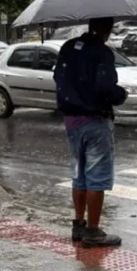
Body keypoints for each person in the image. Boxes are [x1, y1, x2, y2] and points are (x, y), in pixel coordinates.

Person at [53, 17, 127, 248]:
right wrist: (121, 94)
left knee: (79, 173)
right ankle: (93, 231)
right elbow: (105, 88)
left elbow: (57, 77)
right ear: (107, 30)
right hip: (95, 120)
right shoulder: (102, 53)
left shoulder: (68, 47)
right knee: (96, 176)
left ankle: (78, 225)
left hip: (71, 120)